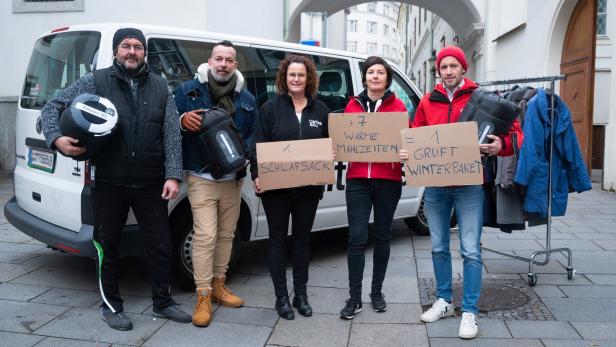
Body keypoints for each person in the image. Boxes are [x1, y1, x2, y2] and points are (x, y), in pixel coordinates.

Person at [40, 28, 191, 331]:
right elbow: (52, 106)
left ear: (144, 52)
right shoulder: (96, 80)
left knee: (161, 245)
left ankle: (163, 302)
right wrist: (56, 139)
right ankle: (111, 305)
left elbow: (172, 134)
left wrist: (173, 175)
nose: (132, 52)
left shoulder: (162, 86)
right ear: (115, 51)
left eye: (137, 46)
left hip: (151, 182)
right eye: (126, 46)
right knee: (107, 245)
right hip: (109, 180)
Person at [410, 46, 522, 339]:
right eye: (443, 67)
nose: (448, 71)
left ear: (463, 69)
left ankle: (470, 310)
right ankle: (444, 301)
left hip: (470, 185)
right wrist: (408, 150)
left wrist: (502, 146)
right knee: (437, 247)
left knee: (471, 249)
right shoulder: (427, 101)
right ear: (439, 71)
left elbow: (514, 132)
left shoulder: (482, 98)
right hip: (435, 186)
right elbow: (416, 133)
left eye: (453, 66)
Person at [174, 40, 256, 327]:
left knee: (226, 235)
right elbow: (168, 125)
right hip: (201, 176)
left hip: (234, 179)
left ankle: (220, 285)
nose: (223, 64)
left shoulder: (246, 99)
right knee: (206, 235)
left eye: (229, 60)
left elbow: (252, 135)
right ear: (210, 61)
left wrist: (242, 156)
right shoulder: (188, 92)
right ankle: (203, 295)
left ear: (235, 65)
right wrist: (182, 119)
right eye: (218, 59)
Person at [251, 55, 330, 320]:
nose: (296, 79)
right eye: (291, 75)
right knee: (276, 241)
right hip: (277, 189)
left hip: (308, 189)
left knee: (302, 241)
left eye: (301, 75)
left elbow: (330, 146)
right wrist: (257, 174)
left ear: (309, 79)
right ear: (284, 78)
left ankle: (302, 295)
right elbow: (257, 146)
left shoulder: (321, 110)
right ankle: (281, 298)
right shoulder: (270, 109)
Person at [339, 56, 409, 320]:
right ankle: (354, 296)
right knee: (356, 238)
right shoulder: (352, 106)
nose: (375, 76)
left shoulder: (398, 106)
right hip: (357, 180)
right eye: (371, 72)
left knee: (382, 237)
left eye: (380, 72)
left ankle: (376, 292)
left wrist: (406, 151)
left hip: (388, 181)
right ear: (365, 77)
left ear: (387, 78)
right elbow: (344, 140)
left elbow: (407, 140)